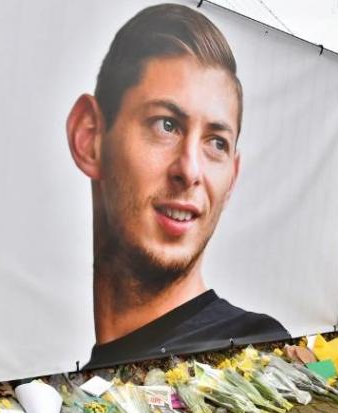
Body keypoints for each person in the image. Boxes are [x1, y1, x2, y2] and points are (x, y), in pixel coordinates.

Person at [66, 4, 290, 369]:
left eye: (216, 142)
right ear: (89, 137)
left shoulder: (251, 348)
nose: (189, 171)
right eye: (165, 125)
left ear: (232, 176)